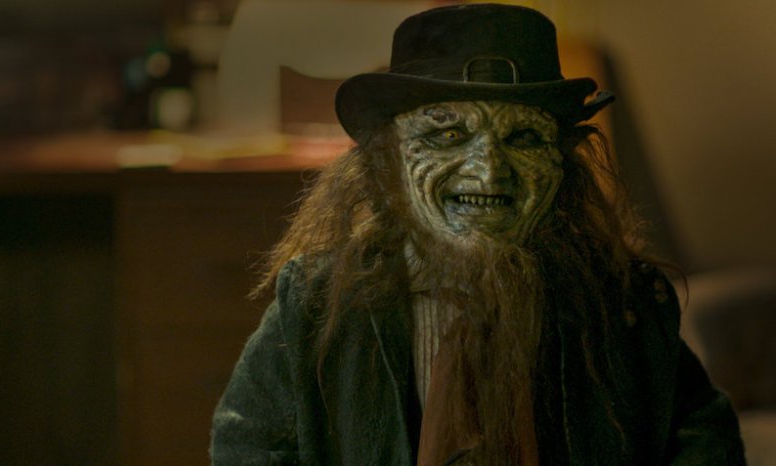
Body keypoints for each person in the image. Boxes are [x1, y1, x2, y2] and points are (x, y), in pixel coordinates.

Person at [210, 3, 746, 465]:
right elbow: (247, 446)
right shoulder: (316, 303)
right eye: (446, 134)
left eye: (524, 138)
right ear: (388, 157)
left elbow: (703, 440)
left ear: (563, 162)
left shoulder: (625, 304)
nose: (489, 172)